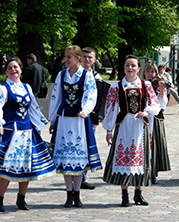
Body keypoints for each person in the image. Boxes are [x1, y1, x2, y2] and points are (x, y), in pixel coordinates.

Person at [102, 55, 161, 207]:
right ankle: (124, 195)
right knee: (124, 158)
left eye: (133, 66)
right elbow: (110, 110)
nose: (130, 68)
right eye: (127, 65)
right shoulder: (116, 87)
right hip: (124, 126)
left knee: (140, 159)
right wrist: (109, 130)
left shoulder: (145, 85)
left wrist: (146, 112)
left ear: (138, 68)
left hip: (140, 126)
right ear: (124, 67)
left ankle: (138, 194)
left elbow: (155, 103)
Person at [49, 45, 102, 208]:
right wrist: (53, 120)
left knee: (78, 158)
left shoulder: (86, 75)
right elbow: (56, 97)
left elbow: (91, 94)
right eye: (65, 56)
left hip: (79, 120)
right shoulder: (61, 74)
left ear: (77, 58)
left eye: (69, 57)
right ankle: (68, 194)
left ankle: (77, 194)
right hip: (65, 119)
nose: (65, 60)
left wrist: (85, 110)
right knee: (66, 158)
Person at [0, 57, 56, 212]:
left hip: (26, 130)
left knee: (26, 166)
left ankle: (21, 199)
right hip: (11, 131)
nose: (13, 70)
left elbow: (33, 108)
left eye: (16, 67)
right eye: (10, 68)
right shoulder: (3, 88)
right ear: (6, 71)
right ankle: (0, 199)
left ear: (21, 69)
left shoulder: (27, 87)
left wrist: (39, 125)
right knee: (7, 166)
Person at [142, 62, 170, 184]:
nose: (150, 74)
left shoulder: (157, 85)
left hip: (156, 118)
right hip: (143, 118)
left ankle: (153, 173)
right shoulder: (140, 84)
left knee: (155, 147)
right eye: (148, 71)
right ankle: (143, 171)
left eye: (152, 72)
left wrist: (162, 90)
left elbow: (162, 104)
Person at [80, 47, 103, 190]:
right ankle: (73, 178)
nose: (87, 59)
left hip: (90, 118)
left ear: (94, 60)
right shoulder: (74, 74)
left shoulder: (97, 77)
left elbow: (101, 97)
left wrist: (99, 115)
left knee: (87, 147)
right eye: (84, 56)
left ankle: (82, 178)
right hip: (74, 117)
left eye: (90, 57)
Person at [21, 53, 49, 124]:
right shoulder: (40, 67)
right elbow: (45, 76)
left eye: (28, 60)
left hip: (31, 89)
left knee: (31, 105)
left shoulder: (31, 67)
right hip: (38, 88)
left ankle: (43, 119)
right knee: (33, 105)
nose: (27, 62)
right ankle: (41, 119)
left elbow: (24, 78)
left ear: (30, 60)